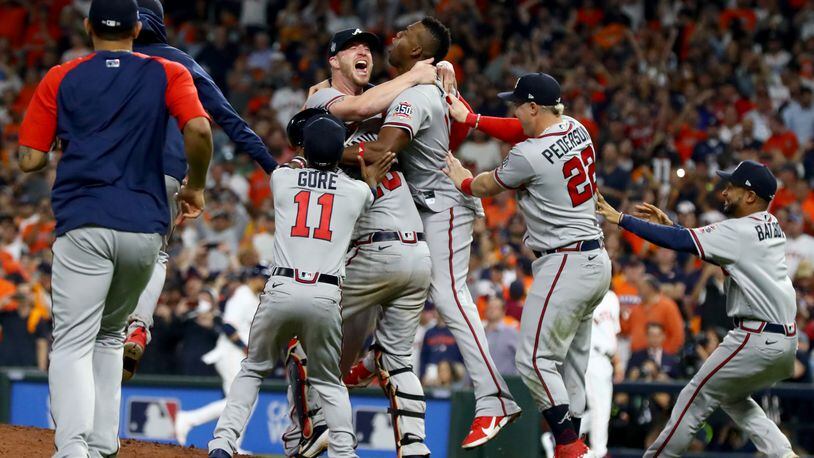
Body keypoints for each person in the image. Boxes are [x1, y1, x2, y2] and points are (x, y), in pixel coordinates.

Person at [17, 0, 213, 455]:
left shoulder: (61, 76)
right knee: (110, 335)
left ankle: (72, 449)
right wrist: (196, 188)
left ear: (87, 27)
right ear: (137, 27)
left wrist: (52, 146)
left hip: (85, 220)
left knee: (71, 342)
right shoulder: (168, 72)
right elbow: (200, 130)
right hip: (145, 227)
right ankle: (104, 443)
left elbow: (30, 159)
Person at [343, 18, 522, 448]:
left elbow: (384, 152)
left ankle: (495, 399)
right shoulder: (420, 91)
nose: (394, 37)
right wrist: (451, 93)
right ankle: (378, 355)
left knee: (448, 294)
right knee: (401, 278)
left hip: (443, 205)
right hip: (425, 205)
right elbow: (452, 132)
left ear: (420, 54)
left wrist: (320, 147)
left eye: (405, 35)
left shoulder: (415, 95)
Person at [283, 27, 436, 457]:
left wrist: (433, 70)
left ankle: (307, 437)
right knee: (395, 358)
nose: (365, 50)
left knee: (301, 339)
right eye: (353, 47)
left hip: (373, 249)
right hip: (415, 251)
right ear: (333, 61)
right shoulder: (325, 103)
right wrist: (422, 73)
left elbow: (365, 114)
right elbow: (359, 109)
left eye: (369, 47)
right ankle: (415, 446)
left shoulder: (376, 110)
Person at [443, 72, 612, 458]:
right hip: (595, 261)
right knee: (570, 367)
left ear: (533, 107)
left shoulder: (527, 154)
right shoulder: (576, 128)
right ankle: (574, 443)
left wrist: (463, 180)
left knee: (533, 360)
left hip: (564, 261)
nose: (514, 111)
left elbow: (486, 185)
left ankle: (571, 448)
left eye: (518, 104)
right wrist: (473, 120)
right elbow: (520, 131)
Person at [208, 113, 393, 458]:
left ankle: (222, 443)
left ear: (306, 150)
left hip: (281, 287)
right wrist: (366, 176)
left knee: (253, 369)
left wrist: (303, 149)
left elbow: (290, 163)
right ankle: (344, 453)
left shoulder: (283, 180)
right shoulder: (356, 192)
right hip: (324, 295)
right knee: (328, 382)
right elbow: (365, 190)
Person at [597, 160, 798, 457]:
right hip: (784, 341)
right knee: (732, 395)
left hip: (755, 337)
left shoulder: (738, 230)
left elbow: (683, 243)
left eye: (732, 187)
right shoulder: (771, 226)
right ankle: (782, 453)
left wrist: (622, 219)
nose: (724, 192)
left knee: (695, 396)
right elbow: (715, 250)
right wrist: (673, 227)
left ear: (751, 197)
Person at [122, 0, 277, 381]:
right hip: (166, 172)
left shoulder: (106, 64)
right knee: (155, 255)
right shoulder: (178, 63)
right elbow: (228, 119)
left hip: (112, 172)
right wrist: (273, 168)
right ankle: (139, 324)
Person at [173, 264, 270, 448]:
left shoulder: (252, 297)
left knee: (244, 400)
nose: (265, 282)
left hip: (235, 354)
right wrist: (244, 348)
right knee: (241, 400)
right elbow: (228, 326)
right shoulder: (242, 294)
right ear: (254, 278)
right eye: (263, 278)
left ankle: (232, 444)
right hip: (230, 353)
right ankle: (189, 419)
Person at [580, 290, 620, 458]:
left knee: (603, 408)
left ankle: (560, 435)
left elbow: (613, 333)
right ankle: (600, 452)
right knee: (600, 408)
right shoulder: (583, 294)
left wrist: (618, 362)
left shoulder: (611, 297)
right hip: (592, 356)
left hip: (606, 358)